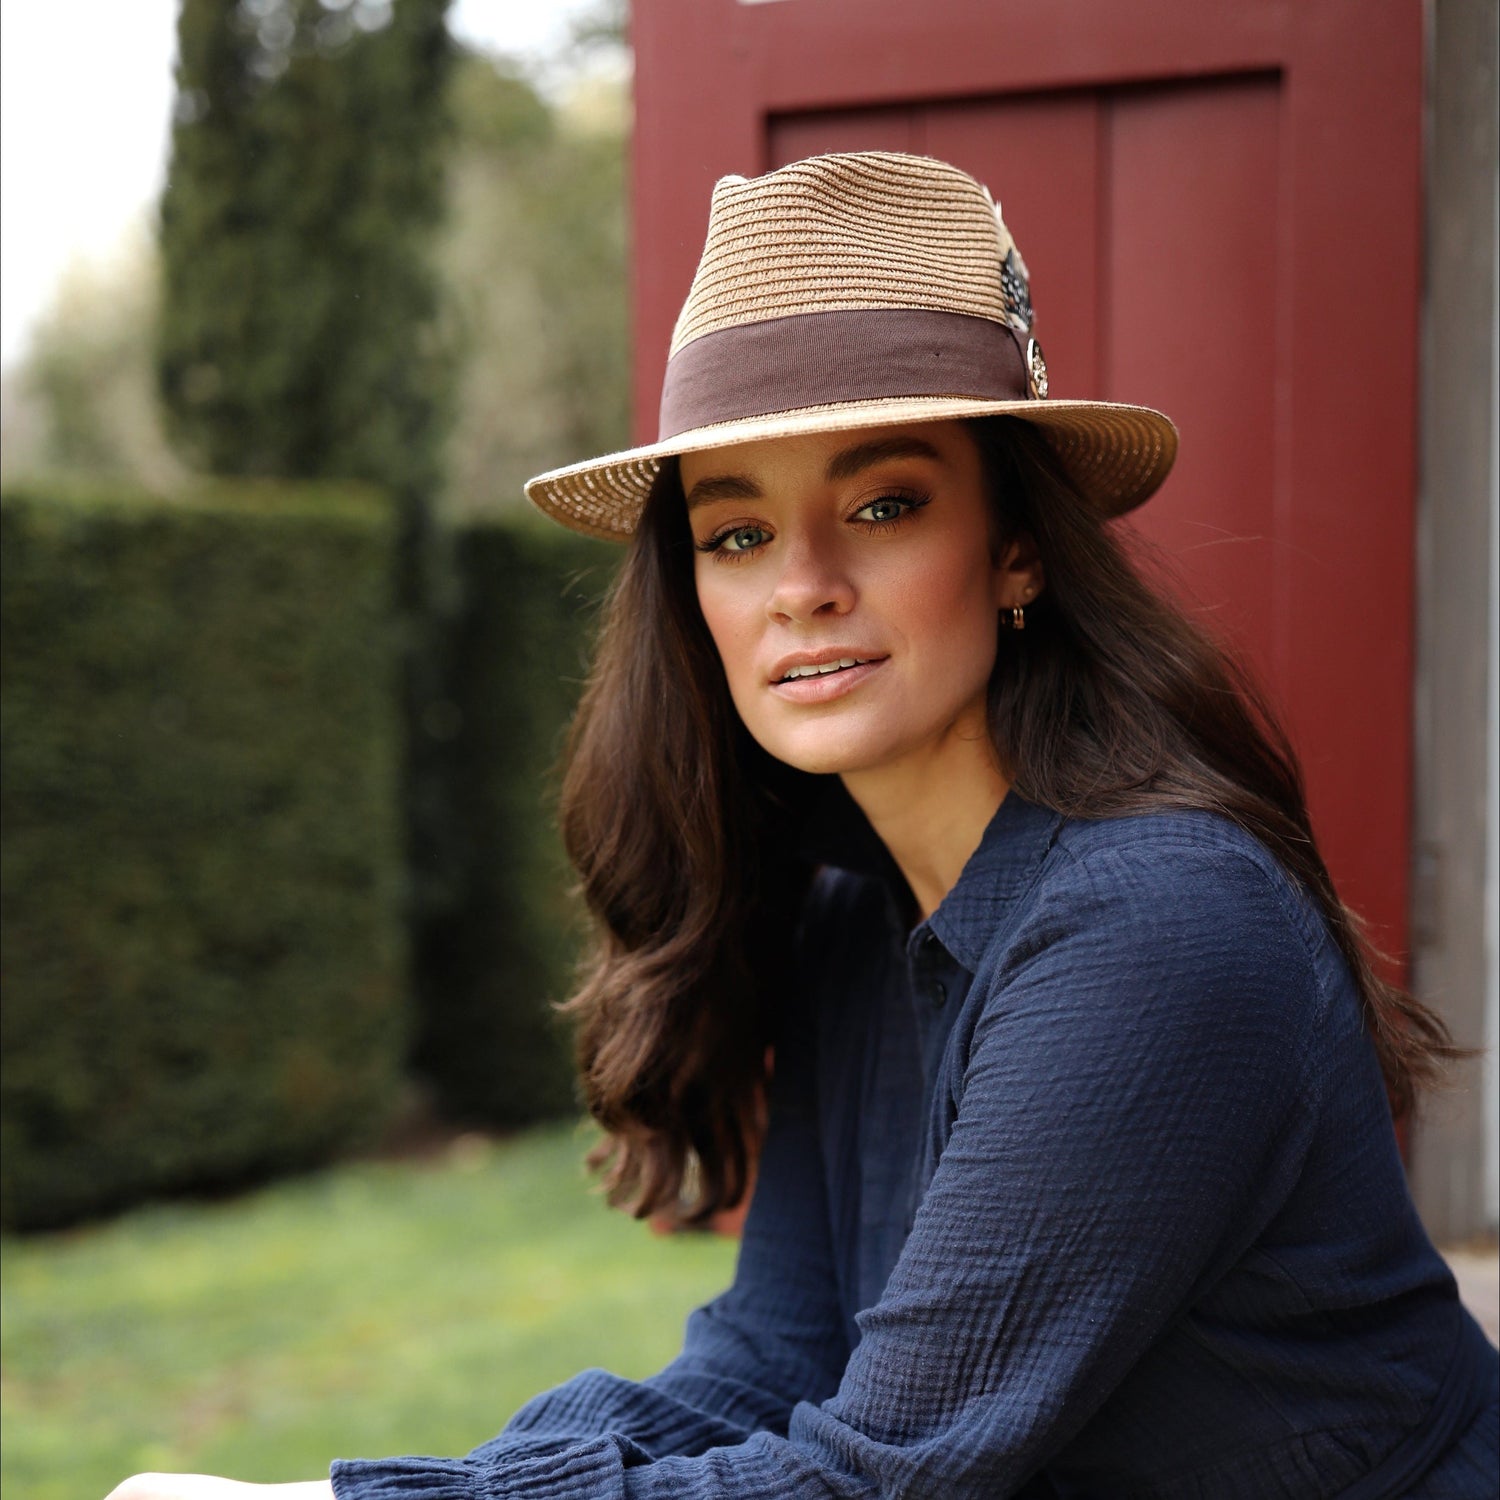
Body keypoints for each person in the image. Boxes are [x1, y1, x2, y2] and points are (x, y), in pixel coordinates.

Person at [109, 152, 1497, 1500]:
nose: (803, 586)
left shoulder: (1159, 924)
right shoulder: (857, 922)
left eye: (884, 505)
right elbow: (767, 1366)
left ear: (1016, 547)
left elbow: (877, 1476)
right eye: (737, 533)